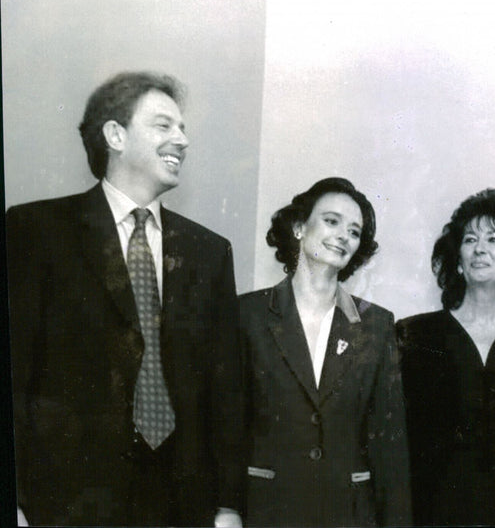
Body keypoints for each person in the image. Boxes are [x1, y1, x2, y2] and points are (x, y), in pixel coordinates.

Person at [7, 72, 245, 527]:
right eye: (164, 125)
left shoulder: (210, 252)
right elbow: (16, 373)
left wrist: (229, 505)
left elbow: (226, 394)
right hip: (66, 504)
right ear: (115, 135)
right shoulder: (36, 231)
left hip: (181, 506)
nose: (183, 140)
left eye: (183, 128)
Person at [239, 177, 411, 527]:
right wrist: (224, 509)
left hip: (348, 514)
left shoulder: (376, 325)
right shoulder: (248, 314)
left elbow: (389, 446)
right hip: (266, 511)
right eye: (332, 221)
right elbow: (227, 425)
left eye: (354, 231)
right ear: (299, 227)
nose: (343, 236)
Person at [397, 189, 495, 525]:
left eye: (494, 239)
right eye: (470, 239)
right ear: (458, 259)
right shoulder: (411, 337)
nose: (480, 248)